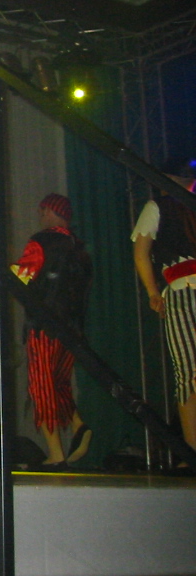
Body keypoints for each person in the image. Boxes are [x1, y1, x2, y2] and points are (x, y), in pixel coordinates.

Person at [11, 193, 93, 470]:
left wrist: (4, 274)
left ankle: (56, 453)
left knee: (42, 385)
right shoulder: (79, 249)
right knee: (58, 382)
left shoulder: (42, 241)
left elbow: (24, 275)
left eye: (42, 210)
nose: (40, 215)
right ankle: (78, 425)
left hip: (44, 324)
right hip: (71, 329)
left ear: (48, 211)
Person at [132, 162, 196, 467]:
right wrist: (154, 291)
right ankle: (191, 451)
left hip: (182, 292)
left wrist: (152, 292)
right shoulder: (161, 206)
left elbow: (141, 253)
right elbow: (141, 254)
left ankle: (191, 452)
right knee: (188, 373)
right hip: (180, 289)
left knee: (187, 373)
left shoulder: (158, 206)